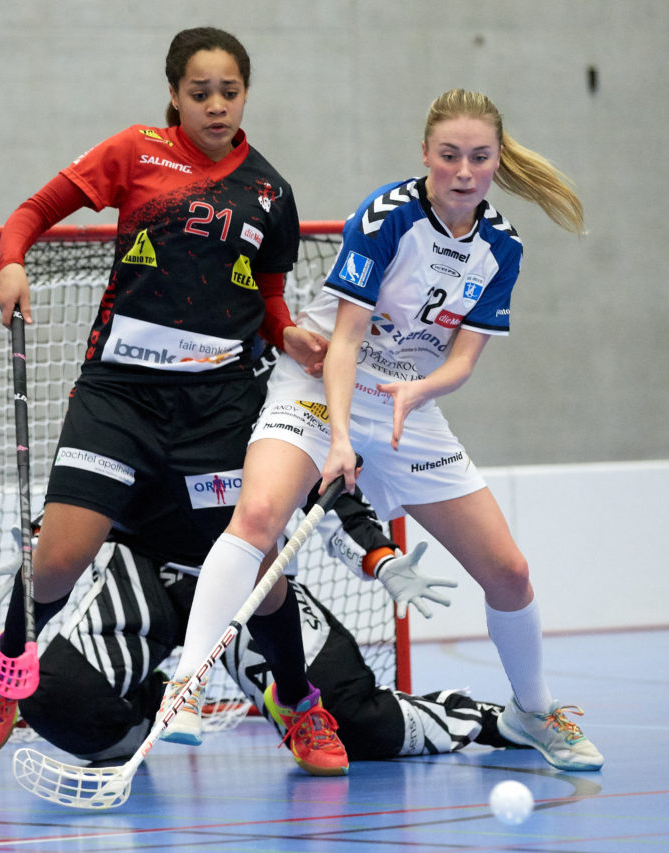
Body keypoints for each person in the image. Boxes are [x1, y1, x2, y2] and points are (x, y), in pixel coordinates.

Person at [164, 88, 604, 772]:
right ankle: (186, 685)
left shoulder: (501, 248)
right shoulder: (388, 215)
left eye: (479, 158)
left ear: (496, 162)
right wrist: (340, 438)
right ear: (426, 154)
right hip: (320, 388)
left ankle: (532, 709)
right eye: (450, 155)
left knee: (510, 571)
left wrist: (419, 390)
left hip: (406, 409)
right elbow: (344, 341)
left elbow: (461, 359)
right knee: (255, 515)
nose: (464, 171)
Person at [0, 27, 343, 773]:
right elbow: (32, 211)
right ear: (174, 94)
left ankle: (298, 704)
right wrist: (12, 263)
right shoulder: (135, 152)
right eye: (199, 92)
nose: (215, 105)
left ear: (245, 95)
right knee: (56, 559)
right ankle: (9, 659)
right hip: (120, 397)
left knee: (260, 576)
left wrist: (289, 333)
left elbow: (266, 296)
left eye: (229, 91)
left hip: (219, 410)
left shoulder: (269, 192)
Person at [12, 488, 516, 767]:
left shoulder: (264, 385)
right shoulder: (138, 369)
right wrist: (46, 541)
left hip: (252, 586)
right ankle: (148, 709)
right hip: (148, 573)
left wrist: (378, 557)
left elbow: (326, 489)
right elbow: (90, 467)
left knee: (353, 724)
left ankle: (478, 716)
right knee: (55, 699)